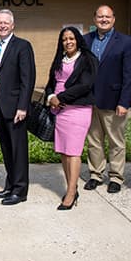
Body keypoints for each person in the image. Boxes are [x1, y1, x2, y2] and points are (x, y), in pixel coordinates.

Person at [83, 5, 131, 194]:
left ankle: (116, 177)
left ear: (113, 19)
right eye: (100, 17)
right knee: (94, 141)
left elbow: (130, 75)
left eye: (107, 17)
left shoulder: (126, 42)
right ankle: (95, 175)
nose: (103, 20)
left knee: (116, 141)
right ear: (94, 19)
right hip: (90, 101)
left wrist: (124, 102)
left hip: (114, 102)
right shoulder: (85, 40)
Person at [44, 27, 98, 210]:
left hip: (78, 110)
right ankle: (71, 186)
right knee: (64, 151)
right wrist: (51, 97)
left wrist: (62, 98)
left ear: (78, 40)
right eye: (65, 39)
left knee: (73, 151)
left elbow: (85, 85)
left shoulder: (87, 59)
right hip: (59, 111)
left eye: (72, 38)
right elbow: (51, 82)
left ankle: (71, 192)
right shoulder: (59, 59)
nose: (68, 42)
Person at [0, 9, 36, 206]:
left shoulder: (23, 46)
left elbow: (28, 79)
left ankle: (20, 190)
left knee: (18, 150)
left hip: (16, 109)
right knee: (7, 149)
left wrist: (23, 107)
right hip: (0, 109)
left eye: (6, 22)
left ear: (13, 24)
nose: (2, 25)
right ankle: (10, 185)